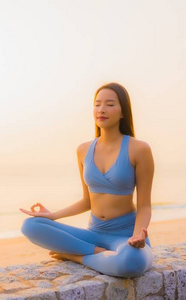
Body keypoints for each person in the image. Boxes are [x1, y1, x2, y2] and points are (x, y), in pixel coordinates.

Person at [20, 82, 154, 278]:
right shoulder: (83, 150)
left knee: (131, 262)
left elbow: (144, 206)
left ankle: (76, 257)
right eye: (97, 104)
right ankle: (99, 254)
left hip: (125, 236)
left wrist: (137, 235)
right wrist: (53, 215)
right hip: (93, 234)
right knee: (30, 226)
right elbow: (87, 201)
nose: (102, 109)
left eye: (109, 104)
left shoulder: (139, 149)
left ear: (123, 111)